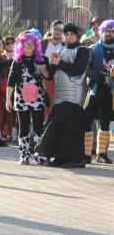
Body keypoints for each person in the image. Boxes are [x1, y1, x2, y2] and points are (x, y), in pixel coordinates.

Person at [36, 23, 89, 168]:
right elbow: (52, 74)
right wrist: (45, 71)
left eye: (71, 34)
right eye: (66, 34)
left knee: (72, 129)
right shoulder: (61, 50)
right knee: (59, 127)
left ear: (76, 35)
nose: (68, 36)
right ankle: (60, 157)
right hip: (59, 96)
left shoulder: (83, 50)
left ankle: (78, 159)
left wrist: (59, 62)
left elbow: (78, 71)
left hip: (74, 96)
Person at [6, 34, 50, 164]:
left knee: (38, 126)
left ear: (36, 45)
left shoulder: (42, 59)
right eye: (26, 42)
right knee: (23, 126)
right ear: (22, 45)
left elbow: (49, 77)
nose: (29, 44)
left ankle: (39, 154)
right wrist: (8, 99)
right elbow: (11, 80)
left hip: (38, 97)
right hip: (21, 97)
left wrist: (44, 70)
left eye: (32, 42)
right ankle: (24, 154)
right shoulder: (17, 60)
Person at [84, 19, 114, 164]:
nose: (109, 33)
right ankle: (86, 154)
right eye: (107, 31)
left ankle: (101, 154)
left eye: (112, 31)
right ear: (102, 32)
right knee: (87, 121)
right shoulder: (93, 48)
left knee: (105, 123)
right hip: (94, 90)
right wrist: (99, 75)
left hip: (110, 92)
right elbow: (86, 70)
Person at [41, 20, 65, 118]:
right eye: (55, 28)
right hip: (43, 79)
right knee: (43, 104)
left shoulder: (65, 45)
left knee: (56, 104)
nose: (57, 31)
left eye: (60, 29)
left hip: (60, 80)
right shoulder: (43, 43)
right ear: (51, 29)